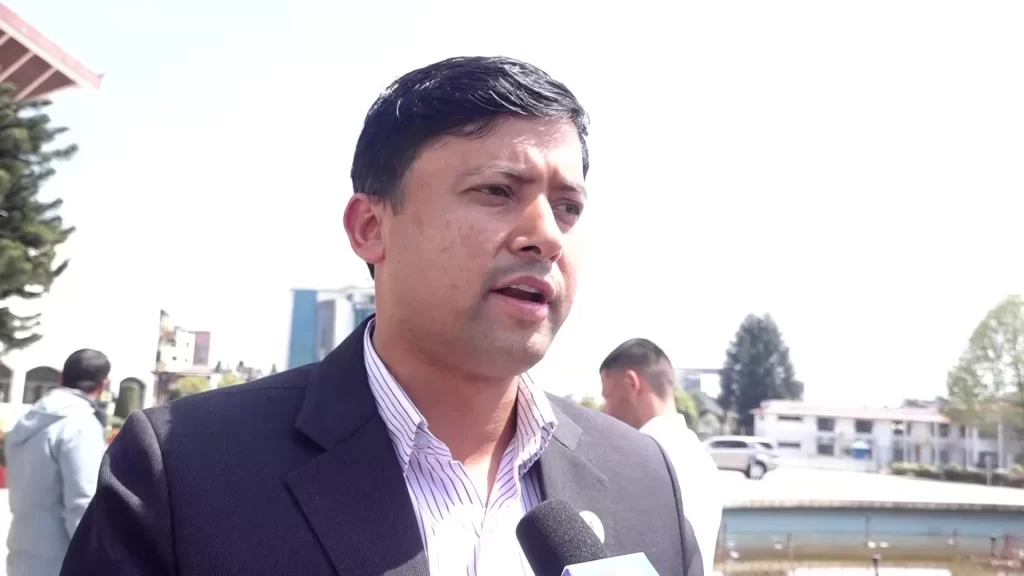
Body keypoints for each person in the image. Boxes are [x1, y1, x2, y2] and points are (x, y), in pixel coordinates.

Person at [61, 57, 702, 576]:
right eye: (497, 191)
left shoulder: (646, 481)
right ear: (370, 226)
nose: (546, 236)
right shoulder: (184, 472)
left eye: (568, 207)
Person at [600, 338, 723, 575]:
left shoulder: (637, 460)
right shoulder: (702, 458)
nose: (606, 411)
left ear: (632, 382)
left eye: (608, 396)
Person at [6, 349, 110, 576]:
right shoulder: (80, 425)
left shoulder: (27, 422)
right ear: (104, 384)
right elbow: (83, 505)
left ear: (61, 378)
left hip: (21, 558)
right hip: (60, 564)